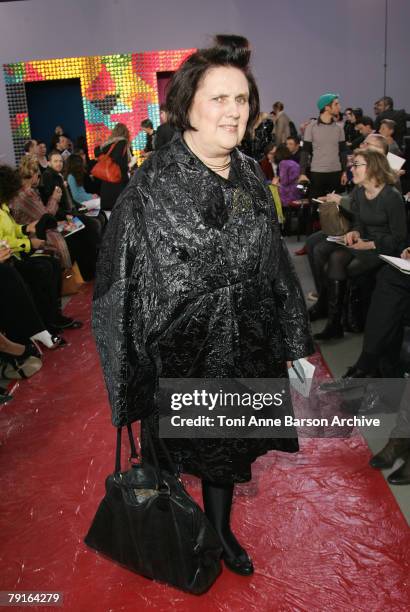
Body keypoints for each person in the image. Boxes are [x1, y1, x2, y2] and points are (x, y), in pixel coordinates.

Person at [93, 35, 313, 577]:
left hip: (244, 344)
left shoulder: (251, 179)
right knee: (169, 450)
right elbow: (117, 287)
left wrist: (292, 343)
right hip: (178, 356)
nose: (234, 111)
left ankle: (220, 528)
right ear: (187, 105)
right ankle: (175, 526)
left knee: (228, 447)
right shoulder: (151, 188)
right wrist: (131, 379)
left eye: (241, 99)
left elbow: (275, 265)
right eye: (219, 98)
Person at [314, 148, 407, 340]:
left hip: (384, 249)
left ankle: (336, 322)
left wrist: (371, 244)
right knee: (335, 258)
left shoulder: (391, 197)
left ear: (372, 167)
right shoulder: (360, 191)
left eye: (356, 165)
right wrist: (354, 232)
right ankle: (335, 323)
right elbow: (359, 221)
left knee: (335, 262)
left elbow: (400, 239)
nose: (352, 169)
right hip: (363, 243)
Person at [10, 155, 72, 270]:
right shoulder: (26, 194)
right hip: (36, 236)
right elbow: (46, 217)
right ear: (33, 175)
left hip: (32, 232)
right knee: (67, 238)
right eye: (38, 175)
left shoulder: (22, 192)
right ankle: (68, 277)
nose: (39, 178)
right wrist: (54, 198)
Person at [299, 93, 348, 197]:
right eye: (336, 104)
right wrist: (302, 173)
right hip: (317, 173)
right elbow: (305, 151)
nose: (339, 107)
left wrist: (344, 172)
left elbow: (343, 151)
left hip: (336, 173)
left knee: (335, 208)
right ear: (326, 107)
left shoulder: (339, 129)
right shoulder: (311, 127)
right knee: (316, 205)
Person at [95, 123, 130, 212]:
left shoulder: (107, 145)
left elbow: (97, 153)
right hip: (118, 183)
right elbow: (119, 162)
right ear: (125, 133)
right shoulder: (122, 142)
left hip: (106, 184)